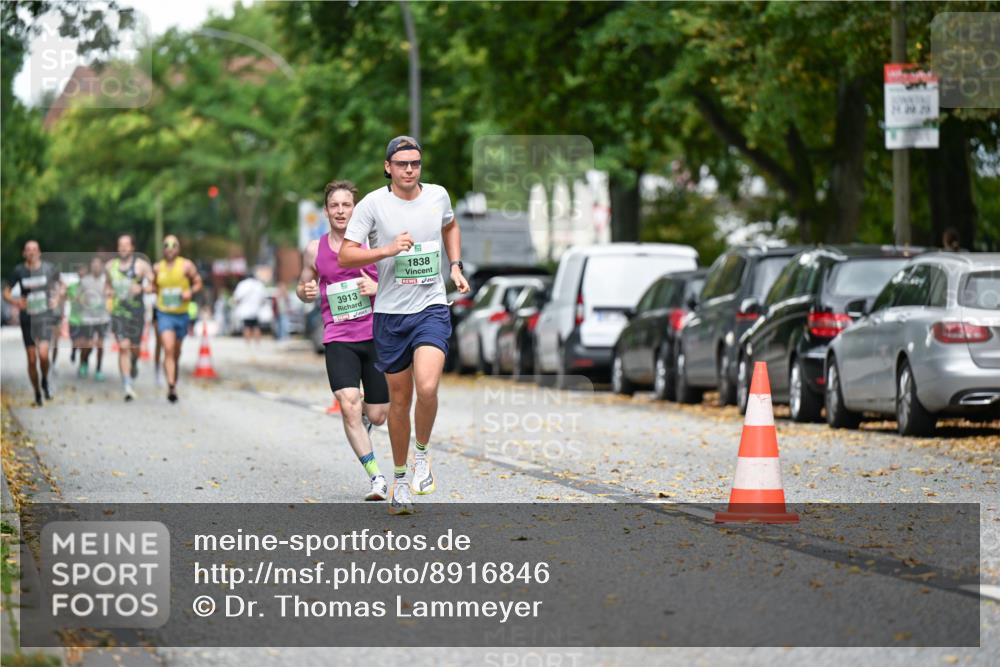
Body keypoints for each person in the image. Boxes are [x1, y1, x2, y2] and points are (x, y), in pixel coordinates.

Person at [340, 136, 470, 514]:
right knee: (400, 400)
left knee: (427, 385)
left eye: (415, 163)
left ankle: (423, 457)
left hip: (431, 306)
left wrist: (456, 266)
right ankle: (399, 480)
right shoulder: (372, 205)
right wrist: (386, 250)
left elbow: (451, 226)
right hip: (390, 314)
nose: (409, 170)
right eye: (402, 164)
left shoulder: (438, 196)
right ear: (388, 167)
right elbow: (347, 254)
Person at [298, 180, 391, 502]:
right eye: (334, 205)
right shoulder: (314, 249)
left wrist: (378, 289)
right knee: (348, 403)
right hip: (338, 337)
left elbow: (398, 286)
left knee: (378, 414)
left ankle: (367, 418)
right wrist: (305, 292)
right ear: (326, 211)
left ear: (356, 209)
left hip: (375, 335)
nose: (340, 211)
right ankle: (377, 477)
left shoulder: (373, 245)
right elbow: (303, 286)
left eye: (346, 205)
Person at [3, 241, 63, 406]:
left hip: (44, 316)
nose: (31, 252)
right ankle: (37, 391)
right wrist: (16, 302)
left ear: (39, 252)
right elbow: (6, 293)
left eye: (34, 250)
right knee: (31, 359)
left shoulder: (49, 269)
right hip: (27, 318)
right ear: (24, 253)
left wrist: (57, 298)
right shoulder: (19, 271)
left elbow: (62, 286)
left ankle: (45, 379)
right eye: (28, 250)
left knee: (43, 355)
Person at [153, 234, 203, 403]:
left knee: (176, 352)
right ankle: (172, 385)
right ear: (163, 249)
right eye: (167, 245)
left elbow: (198, 282)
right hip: (164, 313)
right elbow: (153, 286)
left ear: (178, 249)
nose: (170, 248)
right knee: (168, 348)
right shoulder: (157, 268)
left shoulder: (186, 265)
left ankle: (172, 377)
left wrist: (190, 292)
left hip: (181, 314)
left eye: (174, 245)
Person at [106, 234, 153, 401]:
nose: (124, 248)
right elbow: (107, 287)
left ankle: (134, 364)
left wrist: (142, 288)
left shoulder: (141, 266)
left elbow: (153, 286)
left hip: (136, 313)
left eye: (127, 245)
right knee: (123, 346)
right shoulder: (110, 266)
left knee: (134, 348)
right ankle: (127, 385)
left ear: (132, 247)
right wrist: (108, 292)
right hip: (118, 313)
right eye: (121, 245)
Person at [75, 256, 110, 381]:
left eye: (98, 264)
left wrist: (109, 296)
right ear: (91, 267)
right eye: (93, 264)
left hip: (102, 318)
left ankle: (99, 370)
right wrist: (84, 301)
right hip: (88, 317)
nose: (96, 267)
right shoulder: (85, 281)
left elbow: (112, 293)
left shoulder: (106, 280)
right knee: (88, 345)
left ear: (101, 266)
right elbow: (77, 297)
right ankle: (83, 363)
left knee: (100, 345)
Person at [233, 272, 268, 344]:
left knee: (247, 327)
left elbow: (236, 298)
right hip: (256, 310)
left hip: (245, 310)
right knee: (256, 327)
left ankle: (247, 344)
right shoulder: (259, 284)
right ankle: (257, 344)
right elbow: (264, 298)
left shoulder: (242, 284)